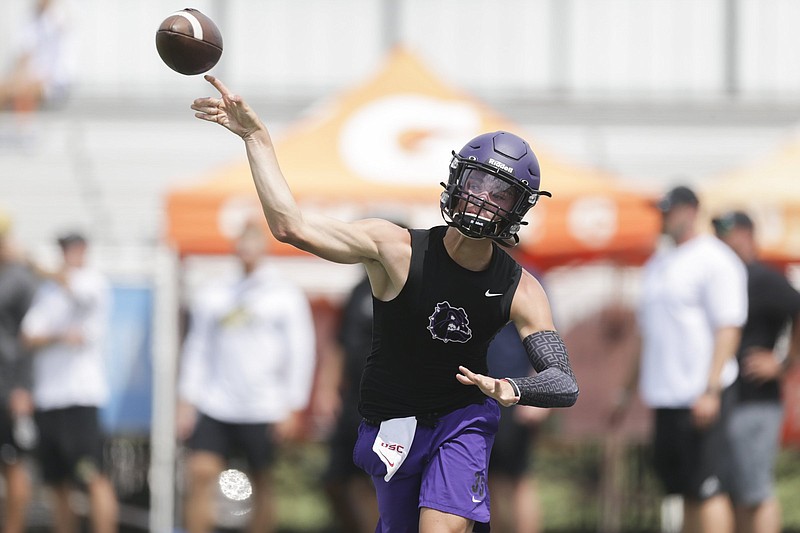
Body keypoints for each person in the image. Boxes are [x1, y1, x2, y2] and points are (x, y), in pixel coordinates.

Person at [191, 75, 579, 533]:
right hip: (394, 423)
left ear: (519, 208)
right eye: (477, 183)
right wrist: (256, 138)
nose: (483, 199)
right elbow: (290, 226)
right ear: (456, 181)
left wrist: (512, 388)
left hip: (463, 420)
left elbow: (563, 382)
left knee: (441, 528)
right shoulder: (395, 248)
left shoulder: (521, 287)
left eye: (501, 194)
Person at [616, 185, 748, 533]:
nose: (662, 217)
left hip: (701, 394)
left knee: (709, 488)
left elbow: (728, 327)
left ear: (691, 211)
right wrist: (626, 391)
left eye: (669, 210)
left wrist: (711, 389)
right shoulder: (658, 263)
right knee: (685, 490)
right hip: (667, 395)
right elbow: (647, 335)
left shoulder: (714, 258)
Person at [176, 219, 316, 533]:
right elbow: (197, 348)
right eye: (243, 242)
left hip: (264, 405)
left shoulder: (284, 293)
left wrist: (294, 404)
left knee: (263, 481)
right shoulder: (214, 291)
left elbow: (301, 350)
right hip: (216, 402)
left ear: (264, 246)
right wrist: (187, 398)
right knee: (200, 473)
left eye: (254, 242)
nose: (247, 249)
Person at [19, 231, 118, 533]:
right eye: (64, 248)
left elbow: (77, 295)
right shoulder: (48, 291)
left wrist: (35, 265)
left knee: (92, 476)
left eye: (73, 248)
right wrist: (60, 336)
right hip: (49, 398)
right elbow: (29, 336)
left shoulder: (93, 282)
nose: (68, 254)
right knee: (56, 483)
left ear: (84, 250)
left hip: (80, 398)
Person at [712, 210, 800, 533]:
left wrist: (784, 363)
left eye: (727, 229)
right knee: (734, 492)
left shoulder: (762, 277)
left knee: (755, 491)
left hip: (756, 401)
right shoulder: (725, 276)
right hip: (730, 400)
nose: (721, 236)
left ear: (747, 234)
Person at [316, 274, 379, 533]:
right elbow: (340, 344)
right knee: (336, 481)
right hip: (353, 400)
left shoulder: (414, 288)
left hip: (391, 405)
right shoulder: (359, 291)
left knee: (374, 483)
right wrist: (326, 389)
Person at [486, 322, 549, 533]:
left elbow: (545, 336)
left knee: (519, 479)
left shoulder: (529, 287)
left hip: (514, 395)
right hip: (477, 396)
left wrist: (536, 394)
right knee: (486, 480)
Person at [0, 212, 39, 533]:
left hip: (7, 388)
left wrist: (23, 387)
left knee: (13, 464)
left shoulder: (20, 279)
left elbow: (30, 338)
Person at [0, 0, 73, 113]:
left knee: (22, 91)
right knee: (6, 88)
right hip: (34, 78)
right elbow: (24, 53)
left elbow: (57, 68)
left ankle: (23, 128)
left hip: (55, 83)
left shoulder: (59, 16)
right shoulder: (32, 17)